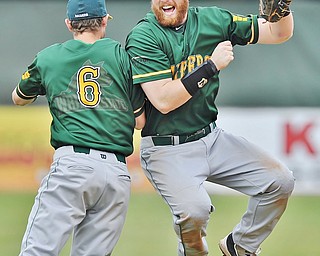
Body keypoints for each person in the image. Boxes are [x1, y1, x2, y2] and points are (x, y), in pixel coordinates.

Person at [125, 0, 295, 255]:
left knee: (280, 181)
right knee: (195, 211)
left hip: (211, 138)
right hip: (166, 149)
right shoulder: (144, 36)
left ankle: (240, 246)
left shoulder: (212, 21)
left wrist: (282, 10)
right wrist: (211, 66)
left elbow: (278, 33)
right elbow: (163, 101)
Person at [12, 0, 145, 255]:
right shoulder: (120, 55)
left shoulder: (49, 57)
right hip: (117, 174)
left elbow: (19, 98)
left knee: (38, 250)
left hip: (73, 165)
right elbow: (140, 121)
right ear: (104, 20)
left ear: (69, 24)